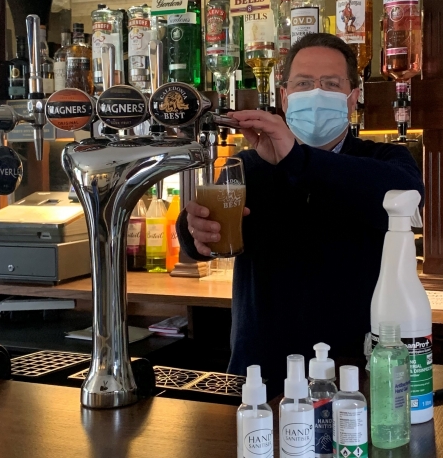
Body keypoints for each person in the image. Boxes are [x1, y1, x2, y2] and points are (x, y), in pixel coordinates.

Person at [177, 33, 424, 392]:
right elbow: (209, 235)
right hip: (261, 376)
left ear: (353, 97)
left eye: (331, 84)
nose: (316, 92)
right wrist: (192, 231)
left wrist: (298, 158)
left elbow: (407, 199)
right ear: (284, 96)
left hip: (357, 374)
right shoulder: (248, 165)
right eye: (304, 83)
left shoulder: (383, 160)